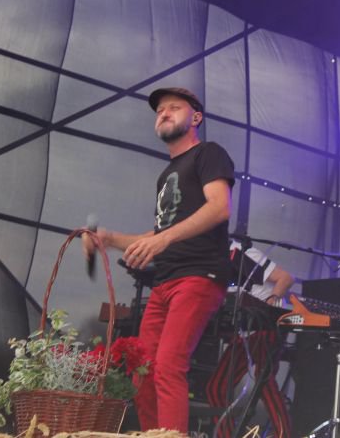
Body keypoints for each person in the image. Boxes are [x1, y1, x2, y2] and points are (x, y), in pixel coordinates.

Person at [83, 87, 235, 432]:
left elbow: (219, 207)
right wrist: (109, 239)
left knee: (168, 366)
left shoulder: (209, 153)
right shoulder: (166, 175)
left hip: (198, 275)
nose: (163, 113)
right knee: (143, 370)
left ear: (196, 117)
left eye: (173, 107)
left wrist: (164, 238)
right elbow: (159, 232)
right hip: (165, 282)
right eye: (159, 110)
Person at [206, 242, 294, 438]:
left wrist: (269, 306)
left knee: (264, 381)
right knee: (217, 387)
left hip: (264, 325)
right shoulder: (209, 261)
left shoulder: (238, 250)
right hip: (245, 330)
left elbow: (285, 278)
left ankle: (284, 434)